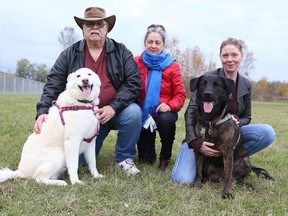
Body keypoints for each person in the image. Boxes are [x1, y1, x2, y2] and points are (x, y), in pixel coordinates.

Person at [34, 6, 142, 176]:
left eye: (99, 24)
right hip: (83, 117)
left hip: (115, 111)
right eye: (89, 24)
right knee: (82, 163)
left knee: (134, 113)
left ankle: (124, 158)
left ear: (107, 28)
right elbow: (53, 83)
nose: (94, 27)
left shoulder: (121, 52)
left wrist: (113, 107)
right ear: (83, 29)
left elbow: (134, 82)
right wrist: (42, 111)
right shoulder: (70, 53)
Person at [171, 37, 275, 183]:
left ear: (241, 56)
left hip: (229, 133)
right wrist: (195, 141)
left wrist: (238, 121)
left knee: (267, 132)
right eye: (225, 55)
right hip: (201, 135)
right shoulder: (207, 80)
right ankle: (210, 160)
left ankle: (232, 160)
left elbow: (247, 116)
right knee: (182, 179)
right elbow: (190, 112)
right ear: (220, 57)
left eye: (234, 55)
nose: (230, 59)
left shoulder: (245, 84)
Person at [134, 24, 186, 171]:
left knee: (166, 119)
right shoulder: (136, 62)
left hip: (163, 110)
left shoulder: (173, 66)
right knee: (146, 160)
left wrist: (169, 105)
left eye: (158, 42)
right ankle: (146, 151)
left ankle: (165, 156)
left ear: (163, 44)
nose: (153, 46)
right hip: (143, 111)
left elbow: (180, 94)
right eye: (150, 42)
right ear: (145, 43)